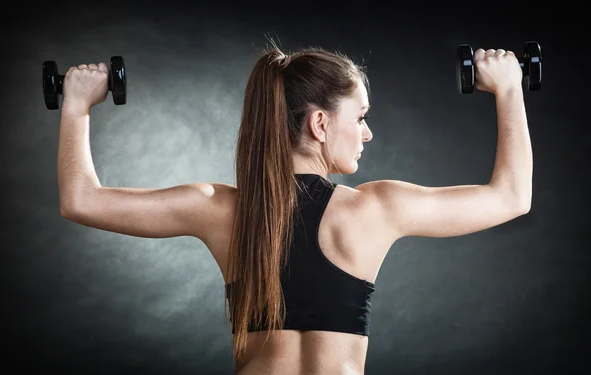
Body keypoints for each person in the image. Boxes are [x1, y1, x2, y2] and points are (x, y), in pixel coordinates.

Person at [57, 40, 532, 375]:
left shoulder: (216, 209)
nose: (367, 133)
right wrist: (509, 90)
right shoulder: (376, 208)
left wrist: (76, 105)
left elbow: (81, 200)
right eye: (361, 116)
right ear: (321, 124)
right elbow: (512, 196)